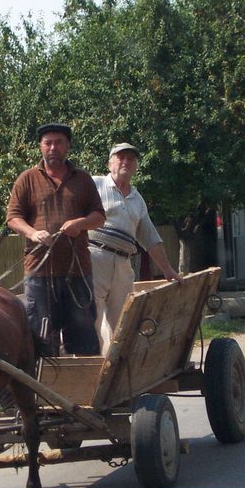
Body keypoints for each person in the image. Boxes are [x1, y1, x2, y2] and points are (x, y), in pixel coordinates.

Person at [6, 122, 105, 356]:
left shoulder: (82, 179)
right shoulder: (27, 179)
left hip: (78, 272)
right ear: (40, 147)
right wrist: (32, 233)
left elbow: (99, 216)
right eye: (48, 143)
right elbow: (12, 217)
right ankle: (42, 391)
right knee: (41, 340)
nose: (53, 147)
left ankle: (83, 389)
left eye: (58, 142)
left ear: (67, 147)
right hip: (40, 274)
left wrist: (79, 224)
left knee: (84, 340)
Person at [89, 142, 183, 353]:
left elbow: (150, 237)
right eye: (120, 158)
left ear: (135, 166)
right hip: (94, 257)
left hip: (123, 262)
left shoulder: (137, 199)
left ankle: (119, 367)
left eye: (130, 159)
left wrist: (168, 270)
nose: (125, 162)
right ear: (110, 162)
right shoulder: (95, 185)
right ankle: (92, 368)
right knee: (91, 316)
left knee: (124, 320)